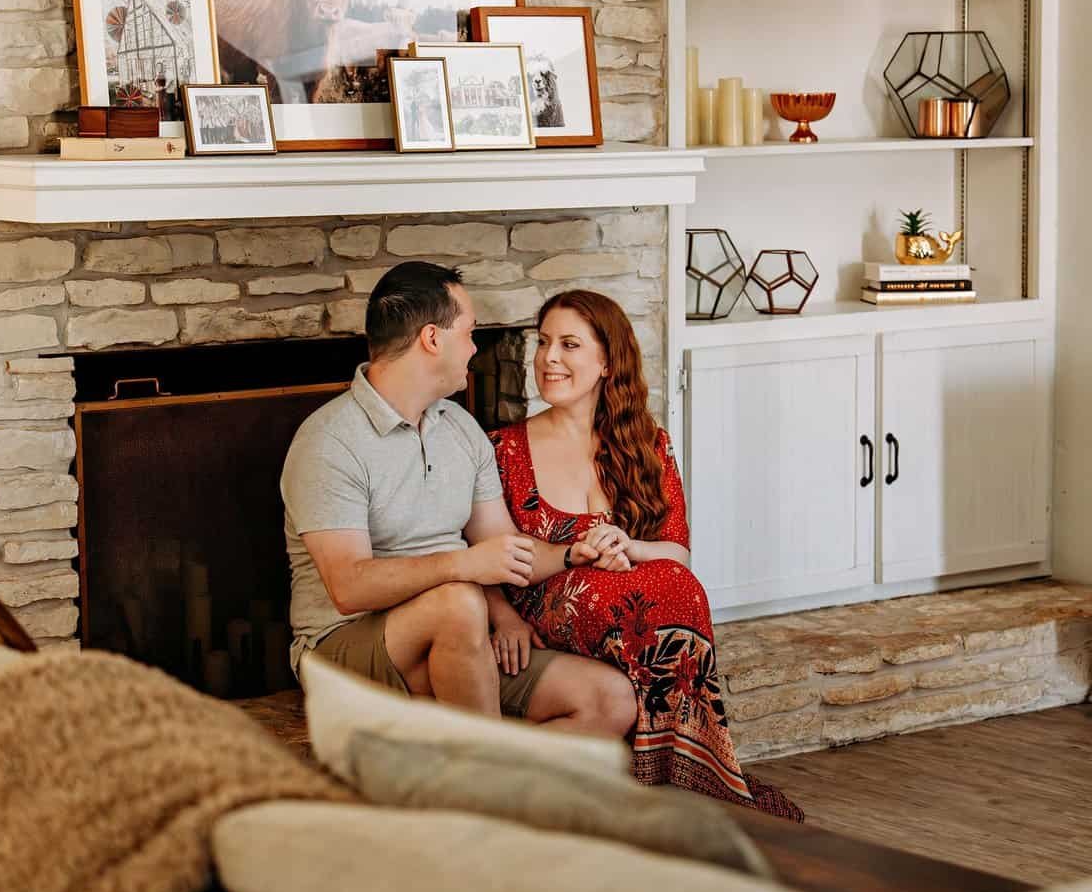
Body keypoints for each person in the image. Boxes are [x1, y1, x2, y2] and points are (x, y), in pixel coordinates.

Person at [281, 262, 636, 736]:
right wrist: (464, 566)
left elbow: (502, 546)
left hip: (458, 635)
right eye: (468, 333)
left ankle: (486, 769)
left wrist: (573, 554)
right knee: (458, 604)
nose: (474, 347)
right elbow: (349, 588)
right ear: (432, 338)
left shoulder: (460, 428)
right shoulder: (330, 441)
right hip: (344, 648)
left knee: (610, 700)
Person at [489, 290, 804, 820]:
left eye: (569, 344)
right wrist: (503, 613)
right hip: (542, 605)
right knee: (650, 591)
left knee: (677, 586)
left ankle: (672, 768)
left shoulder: (648, 444)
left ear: (607, 362)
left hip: (632, 596)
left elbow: (677, 553)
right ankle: (686, 775)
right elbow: (478, 550)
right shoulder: (502, 449)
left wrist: (626, 546)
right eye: (543, 343)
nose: (548, 358)